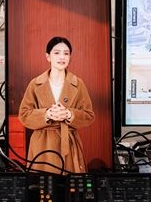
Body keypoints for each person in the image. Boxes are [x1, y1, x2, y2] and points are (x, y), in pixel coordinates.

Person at [18, 37, 94, 174]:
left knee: (71, 186)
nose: (62, 57)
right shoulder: (35, 84)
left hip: (69, 144)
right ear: (48, 56)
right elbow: (24, 115)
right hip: (42, 145)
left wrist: (69, 114)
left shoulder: (78, 84)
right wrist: (47, 114)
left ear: (70, 57)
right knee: (43, 184)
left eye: (66, 53)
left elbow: (89, 115)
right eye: (57, 53)